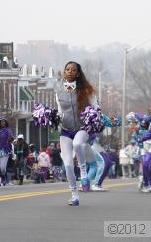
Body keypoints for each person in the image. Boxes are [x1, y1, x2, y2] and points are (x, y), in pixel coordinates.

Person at [55, 61, 98, 206]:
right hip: (66, 130)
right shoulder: (58, 90)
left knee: (78, 143)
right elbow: (60, 110)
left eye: (73, 70)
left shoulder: (86, 90)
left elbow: (96, 108)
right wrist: (55, 118)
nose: (69, 72)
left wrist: (94, 115)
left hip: (82, 128)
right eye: (67, 69)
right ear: (64, 71)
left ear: (78, 73)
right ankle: (74, 195)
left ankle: (84, 172)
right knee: (67, 165)